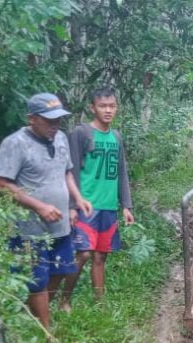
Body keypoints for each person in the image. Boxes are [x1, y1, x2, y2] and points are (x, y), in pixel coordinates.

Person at [0, 92, 93, 328]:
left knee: (61, 269)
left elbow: (66, 171)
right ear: (32, 119)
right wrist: (38, 206)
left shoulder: (60, 139)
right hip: (29, 229)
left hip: (59, 226)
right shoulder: (16, 143)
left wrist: (77, 199)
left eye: (58, 120)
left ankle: (35, 314)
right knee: (36, 279)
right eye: (49, 120)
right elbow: (0, 184)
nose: (55, 125)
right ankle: (45, 333)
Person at [58, 87, 134, 311]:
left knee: (101, 257)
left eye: (112, 106)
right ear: (93, 108)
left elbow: (121, 171)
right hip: (87, 206)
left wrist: (126, 205)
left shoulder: (116, 136)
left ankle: (100, 304)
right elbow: (70, 170)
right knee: (82, 254)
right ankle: (65, 300)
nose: (108, 110)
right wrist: (73, 206)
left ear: (117, 108)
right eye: (103, 106)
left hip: (108, 206)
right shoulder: (81, 133)